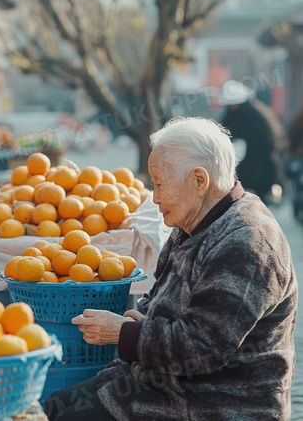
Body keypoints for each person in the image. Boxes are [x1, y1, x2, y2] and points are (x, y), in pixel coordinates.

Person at [44, 117, 297, 420]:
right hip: (164, 380)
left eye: (160, 184)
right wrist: (141, 317)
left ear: (199, 181)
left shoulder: (246, 242)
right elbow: (160, 296)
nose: (155, 197)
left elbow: (203, 347)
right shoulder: (193, 222)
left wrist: (123, 333)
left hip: (219, 399)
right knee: (54, 405)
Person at [219, 80, 284, 203]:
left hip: (259, 166)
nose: (232, 107)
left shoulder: (250, 115)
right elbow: (223, 130)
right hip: (254, 165)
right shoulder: (238, 112)